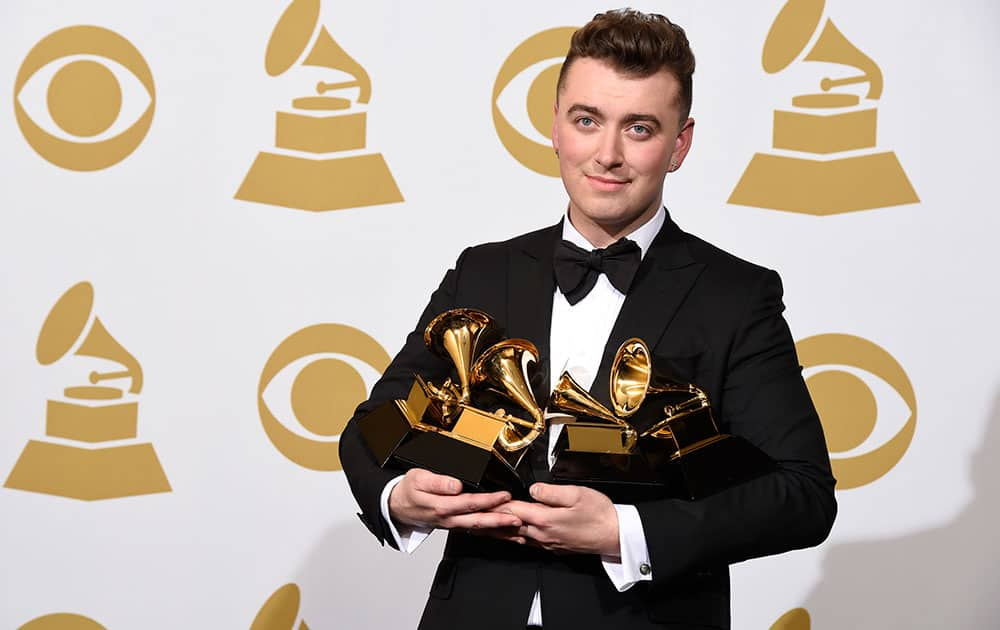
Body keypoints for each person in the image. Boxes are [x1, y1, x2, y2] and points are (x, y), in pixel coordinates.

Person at [339, 9, 836, 630]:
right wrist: (400, 496)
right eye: (587, 120)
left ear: (679, 144)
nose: (607, 154)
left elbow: (802, 495)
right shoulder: (483, 272)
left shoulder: (736, 296)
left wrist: (624, 532)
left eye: (640, 128)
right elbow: (373, 427)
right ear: (555, 127)